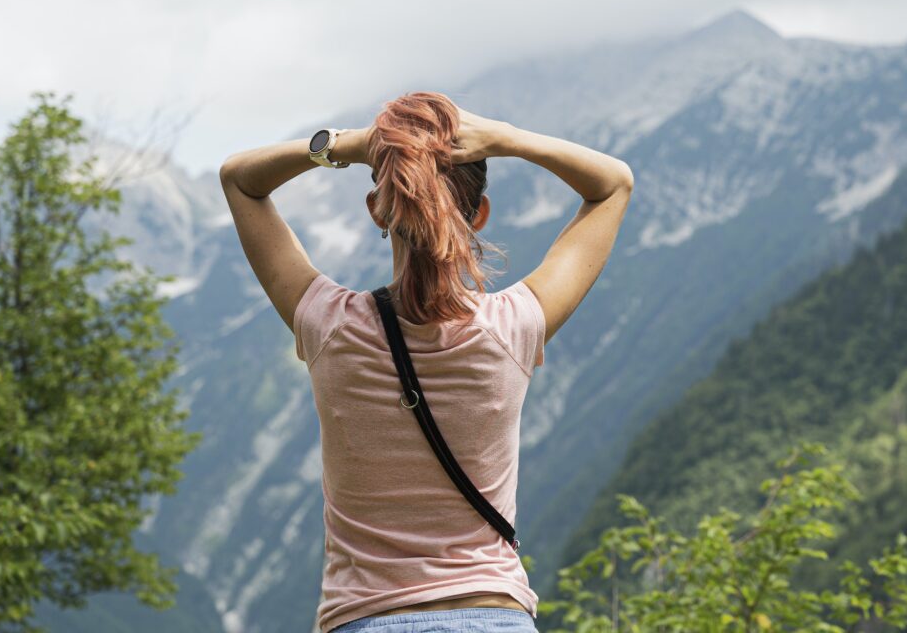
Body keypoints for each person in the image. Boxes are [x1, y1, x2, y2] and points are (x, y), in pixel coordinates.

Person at [219, 92, 635, 633]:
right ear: (480, 215)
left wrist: (352, 144)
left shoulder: (328, 323)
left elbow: (238, 179)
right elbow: (613, 185)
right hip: (496, 617)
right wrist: (509, 137)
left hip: (367, 620)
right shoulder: (513, 326)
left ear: (376, 210)